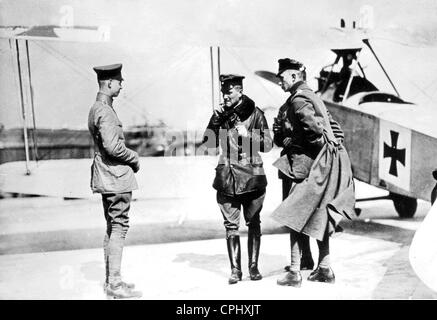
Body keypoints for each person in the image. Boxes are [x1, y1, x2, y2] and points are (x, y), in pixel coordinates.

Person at [271, 58, 355, 287]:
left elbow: (313, 130)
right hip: (320, 166)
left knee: (294, 216)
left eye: (282, 78)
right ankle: (324, 268)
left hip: (302, 168)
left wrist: (305, 146)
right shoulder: (314, 97)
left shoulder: (298, 100)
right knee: (321, 216)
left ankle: (295, 272)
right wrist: (333, 148)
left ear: (294, 77)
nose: (280, 82)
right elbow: (333, 126)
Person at [202, 74, 273, 284]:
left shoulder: (255, 113)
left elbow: (268, 144)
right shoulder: (221, 115)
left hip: (252, 176)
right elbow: (208, 145)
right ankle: (235, 271)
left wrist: (247, 135)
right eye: (223, 92)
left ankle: (253, 267)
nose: (225, 97)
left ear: (239, 91)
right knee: (230, 225)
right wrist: (214, 122)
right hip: (227, 176)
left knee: (254, 222)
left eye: (229, 92)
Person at [88, 63, 142, 299]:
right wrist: (134, 157)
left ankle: (112, 281)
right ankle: (116, 284)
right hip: (116, 178)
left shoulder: (96, 108)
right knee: (119, 226)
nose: (122, 85)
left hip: (105, 177)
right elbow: (112, 146)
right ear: (109, 83)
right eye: (119, 81)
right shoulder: (106, 111)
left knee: (112, 227)